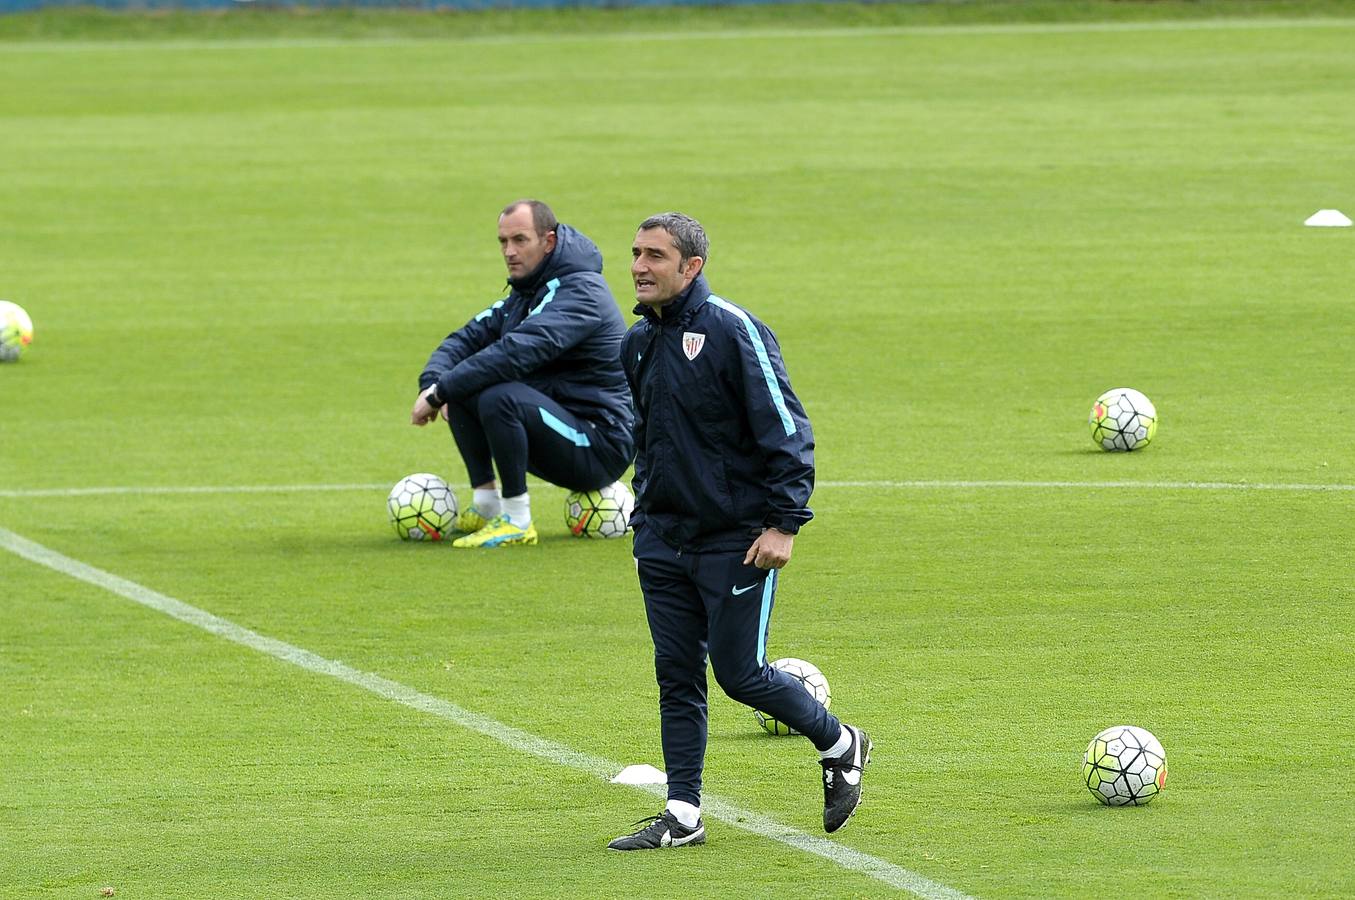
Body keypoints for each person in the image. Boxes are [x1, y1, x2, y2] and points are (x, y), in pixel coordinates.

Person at [608, 212, 871, 851]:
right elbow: (649, 438)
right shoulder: (636, 344)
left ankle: (840, 743)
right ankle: (684, 814)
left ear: (691, 266)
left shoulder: (733, 330)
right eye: (636, 253)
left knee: (739, 674)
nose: (639, 266)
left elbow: (786, 430)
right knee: (676, 673)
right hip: (663, 540)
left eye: (655, 256)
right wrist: (644, 517)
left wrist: (784, 524)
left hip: (736, 540)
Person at [411, 200, 634, 548]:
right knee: (468, 383)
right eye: (503, 241)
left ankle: (517, 519)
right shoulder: (527, 292)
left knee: (499, 394)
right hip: (559, 427)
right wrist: (433, 385)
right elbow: (463, 340)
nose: (509, 251)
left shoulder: (581, 293)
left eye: (519, 240)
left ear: (548, 242)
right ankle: (487, 506)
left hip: (600, 445)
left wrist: (441, 393)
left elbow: (514, 353)